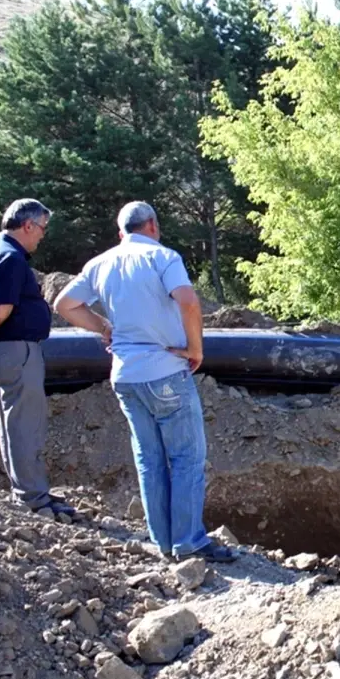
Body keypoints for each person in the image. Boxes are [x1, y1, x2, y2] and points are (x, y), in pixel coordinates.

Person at [53, 201, 235, 563]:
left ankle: (163, 543)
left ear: (122, 233)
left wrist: (104, 327)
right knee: (186, 457)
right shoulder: (163, 258)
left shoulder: (99, 264)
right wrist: (194, 349)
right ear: (152, 225)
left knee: (149, 459)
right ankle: (189, 543)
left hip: (124, 376)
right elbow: (188, 300)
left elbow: (64, 304)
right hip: (165, 371)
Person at [0, 199, 76, 518]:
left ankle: (26, 490)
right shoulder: (9, 257)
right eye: (42, 229)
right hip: (14, 350)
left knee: (14, 421)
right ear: (27, 226)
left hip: (1, 351)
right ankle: (33, 497)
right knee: (25, 424)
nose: (43, 236)